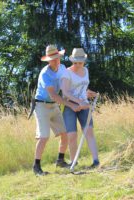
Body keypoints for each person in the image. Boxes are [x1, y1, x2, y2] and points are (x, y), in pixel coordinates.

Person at [32, 45, 81, 176]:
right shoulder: (45, 74)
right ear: (48, 60)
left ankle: (60, 160)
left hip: (54, 106)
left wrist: (80, 96)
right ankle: (36, 167)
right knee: (43, 137)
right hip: (41, 106)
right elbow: (54, 95)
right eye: (53, 59)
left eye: (57, 57)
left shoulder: (63, 68)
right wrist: (71, 105)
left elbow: (68, 86)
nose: (56, 60)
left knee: (65, 133)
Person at [60, 48, 100, 168]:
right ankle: (74, 162)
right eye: (75, 62)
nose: (78, 65)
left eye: (80, 62)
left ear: (84, 61)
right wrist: (78, 102)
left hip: (84, 105)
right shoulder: (67, 72)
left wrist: (89, 93)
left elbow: (82, 88)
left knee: (89, 132)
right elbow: (66, 92)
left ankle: (96, 161)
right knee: (72, 135)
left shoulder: (86, 70)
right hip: (70, 106)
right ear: (72, 61)